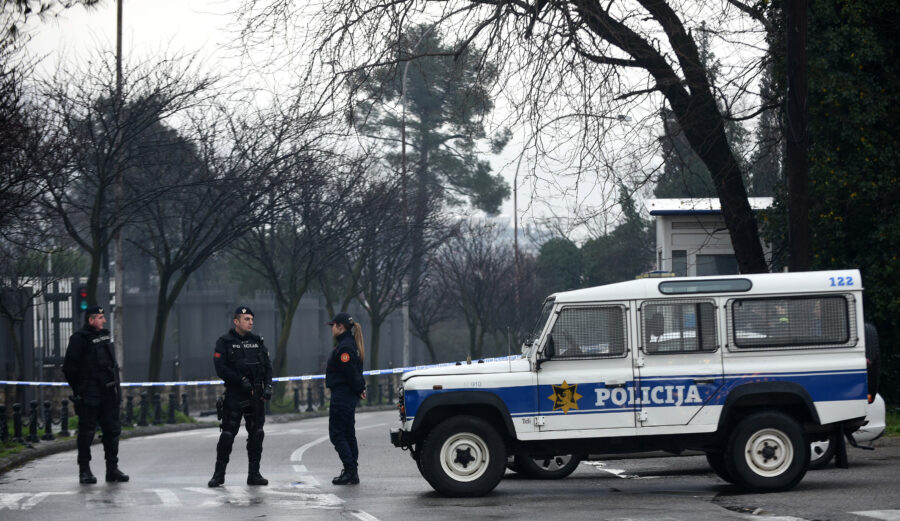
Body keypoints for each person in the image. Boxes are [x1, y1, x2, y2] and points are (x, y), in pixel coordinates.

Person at [207, 306, 273, 487]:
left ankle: (254, 474)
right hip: (235, 394)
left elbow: (267, 367)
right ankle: (219, 475)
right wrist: (240, 380)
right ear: (236, 321)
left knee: (257, 434)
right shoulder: (225, 342)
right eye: (246, 319)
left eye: (252, 319)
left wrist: (268, 386)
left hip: (256, 396)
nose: (250, 322)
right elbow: (221, 368)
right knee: (228, 435)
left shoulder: (257, 341)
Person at [62, 305, 129, 484]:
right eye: (100, 318)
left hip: (107, 391)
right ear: (91, 320)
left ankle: (112, 469)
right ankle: (84, 470)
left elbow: (112, 365)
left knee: (112, 431)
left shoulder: (105, 337)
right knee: (87, 432)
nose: (104, 320)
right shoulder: (79, 339)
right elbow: (69, 368)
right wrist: (79, 389)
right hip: (89, 392)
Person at [325, 312, 367, 485]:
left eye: (333, 325)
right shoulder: (349, 344)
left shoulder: (345, 347)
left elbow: (350, 372)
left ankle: (350, 470)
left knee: (337, 434)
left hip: (343, 394)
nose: (332, 329)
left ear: (340, 327)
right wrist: (360, 388)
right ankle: (352, 471)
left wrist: (359, 387)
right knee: (348, 433)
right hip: (348, 394)